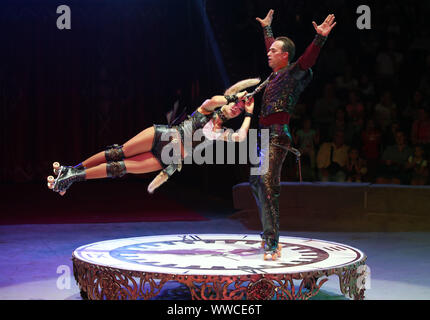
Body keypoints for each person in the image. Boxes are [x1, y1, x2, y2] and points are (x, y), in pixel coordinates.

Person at [47, 78, 260, 195]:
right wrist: (236, 96)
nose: (236, 110)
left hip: (166, 158)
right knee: (117, 152)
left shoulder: (220, 133)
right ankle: (72, 169)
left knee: (120, 167)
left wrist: (249, 112)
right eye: (236, 106)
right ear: (230, 100)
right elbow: (213, 100)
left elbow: (241, 136)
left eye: (239, 111)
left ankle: (72, 177)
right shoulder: (207, 109)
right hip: (161, 135)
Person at [249, 9, 336, 260]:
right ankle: (268, 234)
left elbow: (306, 60)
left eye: (273, 50)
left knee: (267, 183)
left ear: (285, 56)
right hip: (264, 135)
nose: (268, 52)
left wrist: (319, 38)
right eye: (269, 49)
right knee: (256, 181)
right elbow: (274, 47)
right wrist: (267, 30)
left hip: (277, 135)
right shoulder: (275, 74)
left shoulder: (292, 73)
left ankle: (272, 242)